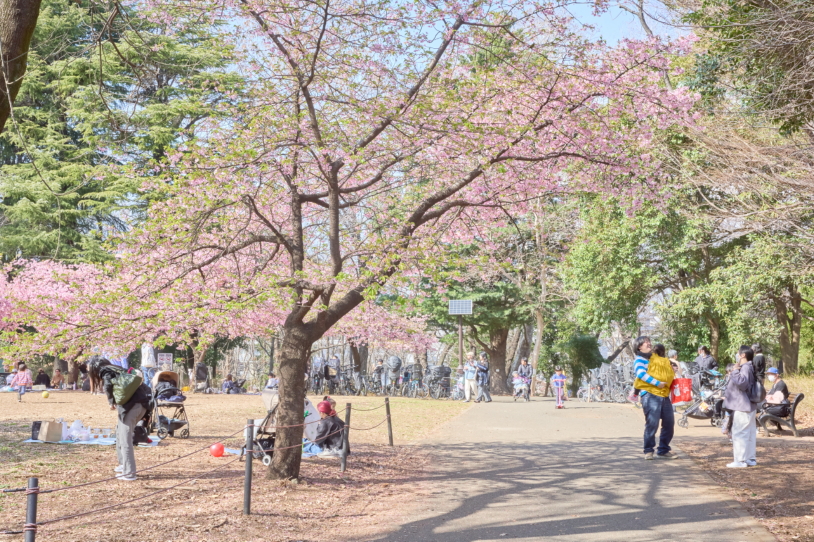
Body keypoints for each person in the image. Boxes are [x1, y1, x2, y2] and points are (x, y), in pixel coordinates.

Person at [87, 356, 152, 481]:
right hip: (140, 404)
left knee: (125, 439)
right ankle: (123, 465)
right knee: (120, 434)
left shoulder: (105, 371)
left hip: (132, 407)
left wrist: (111, 402)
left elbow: (107, 385)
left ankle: (129, 473)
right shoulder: (117, 368)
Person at [633, 336, 677, 460]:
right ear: (639, 346)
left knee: (669, 423)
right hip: (650, 394)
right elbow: (641, 374)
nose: (649, 343)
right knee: (652, 424)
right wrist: (658, 383)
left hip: (664, 394)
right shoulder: (639, 359)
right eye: (645, 342)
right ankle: (648, 450)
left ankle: (663, 449)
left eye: (649, 341)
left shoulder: (656, 359)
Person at [724, 345, 758, 468]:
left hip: (742, 405)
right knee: (749, 433)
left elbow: (742, 383)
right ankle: (749, 459)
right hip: (748, 405)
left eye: (738, 353)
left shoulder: (745, 367)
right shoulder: (750, 367)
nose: (737, 355)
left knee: (739, 433)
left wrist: (734, 371)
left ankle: (740, 460)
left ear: (742, 355)